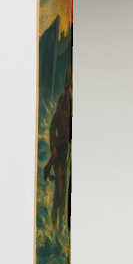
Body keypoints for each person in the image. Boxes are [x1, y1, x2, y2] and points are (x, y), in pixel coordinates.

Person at [46, 80, 72, 233]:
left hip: (66, 153)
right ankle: (53, 225)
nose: (68, 93)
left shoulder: (72, 106)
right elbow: (52, 127)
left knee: (63, 195)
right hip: (58, 152)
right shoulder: (62, 103)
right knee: (60, 189)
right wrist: (53, 148)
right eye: (67, 89)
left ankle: (60, 228)